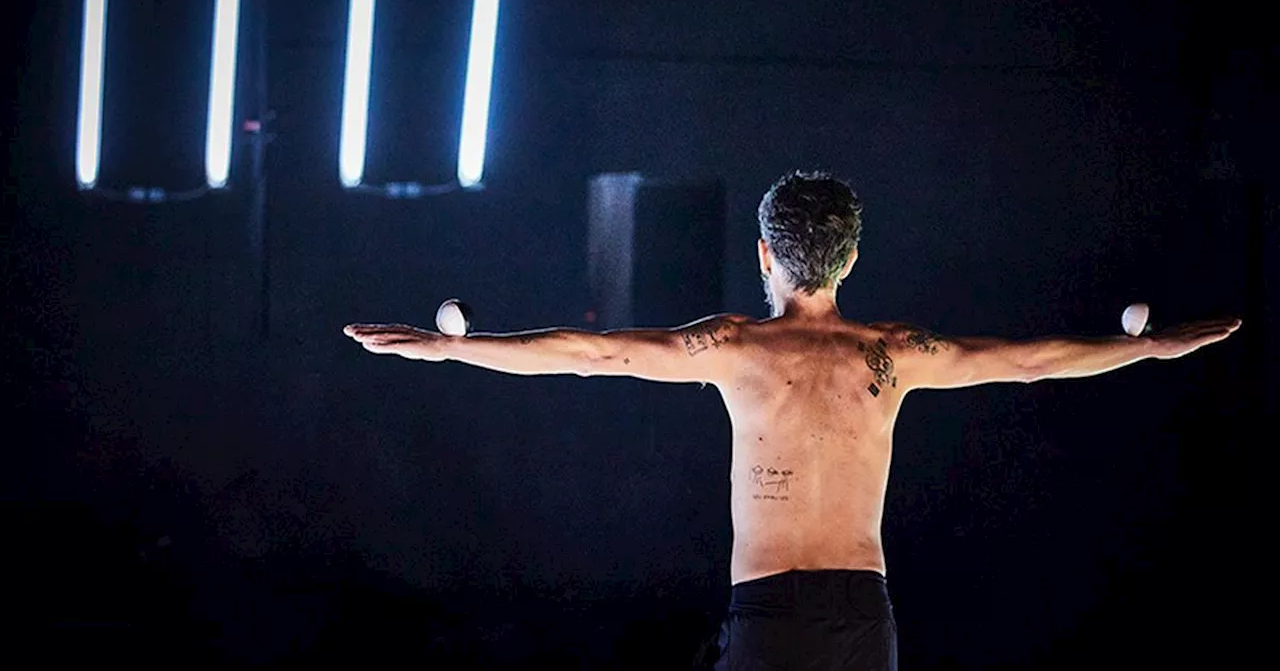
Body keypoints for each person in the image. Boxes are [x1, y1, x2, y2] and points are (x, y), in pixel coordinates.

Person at [344, 170, 1241, 670]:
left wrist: (453, 347)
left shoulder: (733, 347)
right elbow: (1040, 360)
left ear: (766, 254)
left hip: (769, 618)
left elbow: (592, 352)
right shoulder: (896, 355)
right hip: (865, 620)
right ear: (850, 257)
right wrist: (1157, 349)